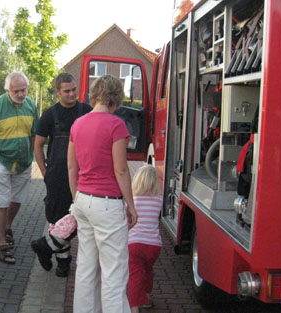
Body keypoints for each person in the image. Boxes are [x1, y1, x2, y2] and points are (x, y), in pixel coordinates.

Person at [68, 74, 138, 313]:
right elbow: (120, 170)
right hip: (107, 205)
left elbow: (71, 167)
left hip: (83, 200)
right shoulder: (116, 125)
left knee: (86, 267)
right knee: (113, 272)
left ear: (95, 95)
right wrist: (131, 204)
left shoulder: (77, 124)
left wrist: (76, 196)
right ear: (116, 98)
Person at [31, 72, 91, 277]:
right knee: (57, 219)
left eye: (74, 89)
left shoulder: (86, 111)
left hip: (83, 175)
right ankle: (63, 261)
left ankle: (45, 246)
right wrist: (45, 172)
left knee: (78, 216)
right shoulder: (50, 114)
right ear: (58, 92)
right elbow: (37, 145)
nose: (72, 94)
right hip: (57, 176)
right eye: (67, 91)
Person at [0, 71, 38, 264]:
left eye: (24, 90)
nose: (21, 94)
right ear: (7, 90)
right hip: (2, 162)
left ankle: (7, 226)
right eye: (16, 91)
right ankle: (2, 242)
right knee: (0, 203)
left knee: (18, 199)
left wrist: (32, 155)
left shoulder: (30, 105)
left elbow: (34, 134)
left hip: (24, 163)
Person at [127, 165, 163, 313]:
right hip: (154, 245)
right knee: (148, 270)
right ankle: (146, 298)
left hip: (135, 244)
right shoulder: (159, 200)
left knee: (135, 276)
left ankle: (134, 307)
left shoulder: (132, 200)